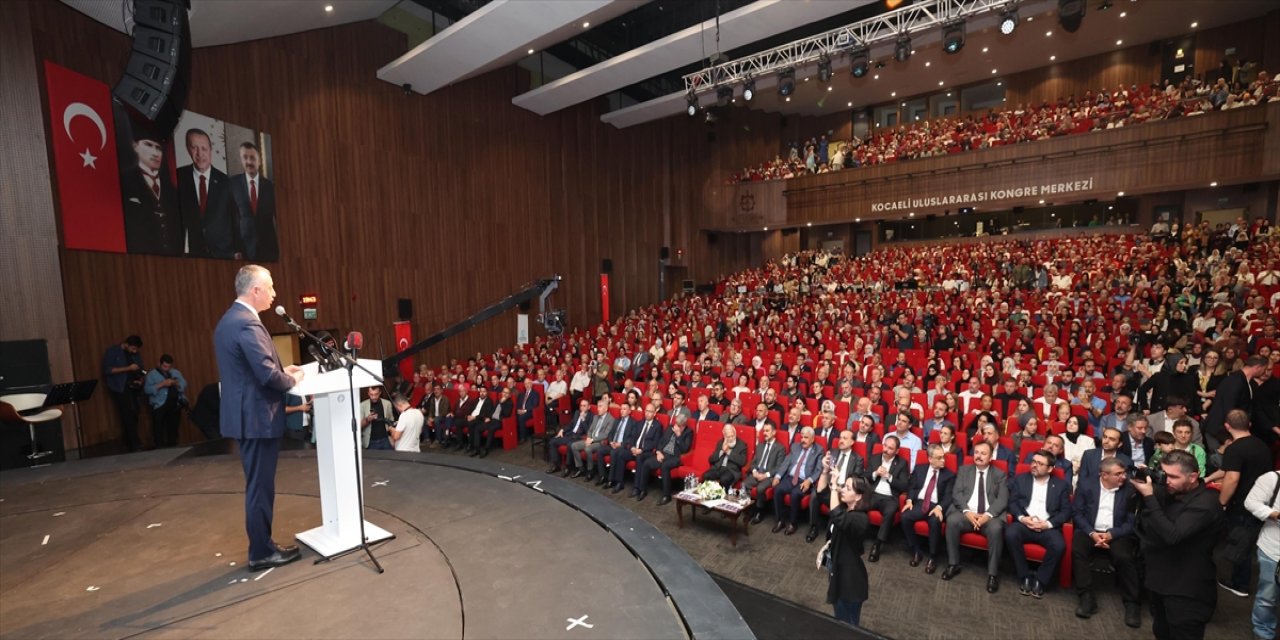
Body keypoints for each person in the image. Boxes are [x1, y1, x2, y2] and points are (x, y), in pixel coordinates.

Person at [214, 265, 305, 571]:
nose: (274, 293)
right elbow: (267, 376)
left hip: (245, 416)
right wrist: (292, 379)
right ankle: (261, 552)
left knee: (257, 485)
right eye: (270, 287)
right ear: (255, 290)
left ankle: (262, 546)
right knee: (260, 487)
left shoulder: (229, 320)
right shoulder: (247, 324)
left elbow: (249, 371)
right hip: (256, 418)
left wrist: (281, 370)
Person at [1132, 449, 1225, 640]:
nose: (1167, 481)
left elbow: (1172, 535)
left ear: (1193, 477)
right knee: (1161, 632)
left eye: (1174, 477)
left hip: (1186, 590)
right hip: (1160, 580)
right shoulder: (1170, 491)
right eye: (1164, 474)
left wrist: (1150, 497)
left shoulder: (1206, 503)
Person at [1211, 409, 1274, 598]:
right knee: (1250, 543)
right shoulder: (1262, 445)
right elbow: (1228, 469)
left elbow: (1232, 478)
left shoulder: (1234, 448)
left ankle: (1240, 585)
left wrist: (1222, 502)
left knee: (1240, 545)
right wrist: (1207, 478)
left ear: (1227, 426)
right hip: (1262, 501)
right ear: (1249, 425)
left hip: (1242, 504)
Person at [1072, 457, 1141, 627]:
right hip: (1090, 530)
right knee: (1078, 550)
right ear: (1104, 475)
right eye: (1118, 474)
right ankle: (1086, 597)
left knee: (1124, 557)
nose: (1123, 477)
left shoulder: (1130, 490)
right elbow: (1077, 514)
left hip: (1117, 533)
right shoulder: (1086, 486)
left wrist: (1112, 534)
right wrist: (1092, 533)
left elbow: (1131, 522)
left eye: (1124, 473)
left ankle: (1132, 602)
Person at [943, 440, 1009, 593]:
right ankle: (953, 564)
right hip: (967, 513)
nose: (979, 456)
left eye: (983, 453)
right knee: (952, 521)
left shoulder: (1000, 474)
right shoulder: (964, 470)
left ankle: (993, 574)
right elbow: (957, 494)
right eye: (977, 452)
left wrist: (987, 515)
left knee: (996, 528)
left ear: (991, 457)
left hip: (989, 516)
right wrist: (967, 512)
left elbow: (1002, 500)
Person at [1004, 450, 1071, 599]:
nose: (1034, 465)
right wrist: (1022, 518)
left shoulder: (1061, 485)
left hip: (1047, 527)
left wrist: (1047, 524)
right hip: (1025, 524)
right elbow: (1012, 503)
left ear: (1050, 468)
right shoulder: (1021, 479)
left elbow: (1066, 511)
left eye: (1040, 463)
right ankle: (1024, 575)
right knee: (1010, 534)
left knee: (1059, 545)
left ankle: (1041, 580)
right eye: (1033, 461)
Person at [119, 126, 182, 255]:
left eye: (159, 148)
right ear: (135, 146)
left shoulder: (172, 191)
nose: (155, 153)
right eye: (148, 145)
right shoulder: (124, 182)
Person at [178, 128, 238, 258]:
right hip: (191, 255)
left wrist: (237, 250)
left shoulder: (226, 182)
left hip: (223, 255)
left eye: (204, 148)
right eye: (194, 148)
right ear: (188, 149)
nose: (200, 154)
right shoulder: (178, 177)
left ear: (210, 150)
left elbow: (235, 219)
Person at [825, 476, 873, 627]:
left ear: (858, 496)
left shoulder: (861, 519)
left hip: (850, 582)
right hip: (838, 571)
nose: (843, 490)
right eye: (844, 486)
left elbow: (839, 517)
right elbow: (821, 495)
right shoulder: (846, 508)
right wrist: (826, 472)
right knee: (839, 621)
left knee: (848, 627)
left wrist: (835, 488)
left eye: (848, 488)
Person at [901, 444, 956, 574]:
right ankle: (916, 550)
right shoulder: (919, 469)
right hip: (920, 503)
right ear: (930, 459)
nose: (943, 460)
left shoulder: (949, 475)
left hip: (936, 505)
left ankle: (933, 557)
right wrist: (909, 500)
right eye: (939, 458)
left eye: (943, 457)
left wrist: (940, 507)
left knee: (935, 522)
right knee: (905, 517)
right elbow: (912, 487)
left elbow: (949, 496)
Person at [809, 429, 866, 543]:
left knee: (838, 501)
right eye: (840, 438)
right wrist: (825, 469)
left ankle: (832, 534)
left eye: (845, 438)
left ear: (852, 442)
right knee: (815, 495)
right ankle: (813, 527)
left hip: (843, 489)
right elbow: (825, 471)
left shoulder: (857, 459)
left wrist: (840, 488)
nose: (841, 440)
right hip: (829, 486)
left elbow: (855, 480)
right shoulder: (832, 452)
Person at [862, 435, 910, 560]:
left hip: (890, 497)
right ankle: (856, 536)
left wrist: (889, 476)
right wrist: (875, 473)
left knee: (890, 512)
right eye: (885, 446)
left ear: (897, 451)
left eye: (890, 448)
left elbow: (904, 486)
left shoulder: (902, 463)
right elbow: (864, 476)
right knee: (859, 505)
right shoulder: (875, 458)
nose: (886, 450)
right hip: (873, 494)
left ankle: (877, 544)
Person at [1245, 469, 1280, 640]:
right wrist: (1275, 514)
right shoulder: (1273, 478)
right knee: (1268, 597)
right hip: (1273, 551)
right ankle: (1263, 633)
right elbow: (1251, 502)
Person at [229, 141, 278, 261]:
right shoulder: (232, 184)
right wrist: (235, 249)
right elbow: (230, 218)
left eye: (252, 158)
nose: (249, 162)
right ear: (241, 160)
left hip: (269, 249)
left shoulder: (270, 187)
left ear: (259, 161)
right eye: (245, 157)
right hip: (244, 250)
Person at [772, 426, 824, 535]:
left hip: (805, 480)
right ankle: (780, 521)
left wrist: (809, 480)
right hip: (791, 477)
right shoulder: (795, 446)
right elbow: (786, 462)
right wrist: (778, 476)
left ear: (812, 439)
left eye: (806, 438)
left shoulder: (818, 450)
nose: (803, 440)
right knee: (778, 489)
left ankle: (793, 523)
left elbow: (819, 470)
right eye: (801, 437)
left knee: (795, 494)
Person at [102, 335, 145, 452]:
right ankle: (135, 443)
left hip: (134, 386)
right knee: (127, 414)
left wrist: (141, 379)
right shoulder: (113, 351)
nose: (134, 351)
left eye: (136, 349)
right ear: (126, 344)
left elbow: (140, 368)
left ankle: (129, 443)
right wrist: (128, 368)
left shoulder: (135, 354)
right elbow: (108, 370)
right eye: (133, 348)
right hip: (120, 387)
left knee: (135, 413)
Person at [610, 404, 662, 495]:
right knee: (620, 453)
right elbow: (632, 437)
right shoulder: (640, 423)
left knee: (639, 457)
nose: (647, 413)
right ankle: (619, 482)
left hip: (646, 452)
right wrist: (632, 447)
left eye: (650, 411)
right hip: (634, 449)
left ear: (654, 413)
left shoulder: (657, 426)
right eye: (646, 411)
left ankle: (637, 487)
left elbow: (655, 443)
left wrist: (641, 450)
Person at [641, 413, 693, 504]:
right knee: (646, 463)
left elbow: (685, 449)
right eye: (676, 424)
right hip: (663, 454)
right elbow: (660, 441)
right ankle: (643, 489)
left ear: (684, 425)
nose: (676, 427)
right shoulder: (670, 428)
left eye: (679, 426)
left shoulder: (688, 432)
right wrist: (658, 452)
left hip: (675, 457)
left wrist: (678, 435)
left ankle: (666, 495)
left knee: (664, 466)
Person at [745, 422, 786, 525]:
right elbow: (753, 462)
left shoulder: (780, 448)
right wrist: (754, 471)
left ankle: (759, 511)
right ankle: (748, 509)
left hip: (769, 476)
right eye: (764, 431)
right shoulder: (760, 445)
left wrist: (766, 475)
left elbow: (779, 467)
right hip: (757, 473)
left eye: (767, 431)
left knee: (760, 488)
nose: (764, 433)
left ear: (774, 432)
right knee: (744, 484)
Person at [143, 353, 187, 448]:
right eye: (164, 366)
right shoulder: (152, 375)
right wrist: (162, 384)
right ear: (159, 363)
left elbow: (184, 384)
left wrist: (176, 383)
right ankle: (160, 449)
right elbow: (147, 390)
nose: (166, 369)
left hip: (175, 404)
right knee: (159, 429)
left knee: (173, 428)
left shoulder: (176, 372)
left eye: (169, 367)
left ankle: (173, 447)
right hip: (159, 405)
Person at [570, 396, 615, 480]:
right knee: (574, 446)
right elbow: (590, 430)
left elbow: (605, 435)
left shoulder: (611, 419)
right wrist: (588, 438)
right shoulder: (595, 417)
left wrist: (592, 439)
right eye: (598, 406)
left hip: (600, 442)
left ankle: (590, 471)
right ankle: (580, 468)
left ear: (606, 409)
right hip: (590, 439)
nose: (598, 409)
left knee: (588, 449)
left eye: (600, 407)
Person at [548, 398, 592, 474]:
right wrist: (562, 430)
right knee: (552, 441)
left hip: (579, 437)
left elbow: (588, 431)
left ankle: (568, 467)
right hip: (570, 435)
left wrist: (583, 419)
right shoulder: (577, 413)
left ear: (589, 407)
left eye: (584, 406)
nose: (582, 408)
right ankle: (556, 465)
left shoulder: (591, 416)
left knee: (570, 445)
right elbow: (570, 425)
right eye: (581, 406)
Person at [469, 387, 512, 457]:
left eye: (507, 393)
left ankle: (486, 449)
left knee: (491, 428)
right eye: (504, 392)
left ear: (509, 395)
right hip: (492, 420)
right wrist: (488, 417)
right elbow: (492, 411)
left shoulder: (509, 403)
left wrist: (502, 403)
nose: (504, 394)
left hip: (499, 421)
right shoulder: (498, 400)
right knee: (477, 427)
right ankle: (477, 449)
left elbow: (506, 414)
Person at [703, 423, 748, 489]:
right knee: (706, 475)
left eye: (732, 436)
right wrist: (722, 451)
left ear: (735, 433)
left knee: (724, 479)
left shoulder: (742, 445)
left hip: (731, 470)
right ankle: (710, 494)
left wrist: (728, 451)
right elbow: (711, 459)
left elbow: (742, 462)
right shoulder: (720, 442)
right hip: (718, 468)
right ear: (724, 436)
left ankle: (722, 494)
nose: (731, 439)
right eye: (728, 437)